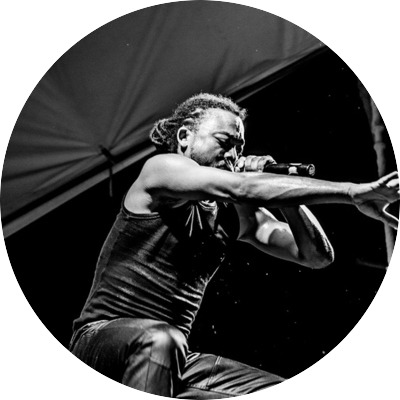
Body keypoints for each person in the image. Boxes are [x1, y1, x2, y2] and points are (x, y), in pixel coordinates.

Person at [70, 93, 399, 398]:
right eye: (224, 142)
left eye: (239, 148)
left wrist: (285, 192)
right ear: (184, 138)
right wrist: (351, 193)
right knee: (161, 339)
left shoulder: (233, 215)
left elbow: (316, 256)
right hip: (101, 342)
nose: (233, 156)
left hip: (171, 357)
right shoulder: (161, 169)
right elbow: (240, 188)